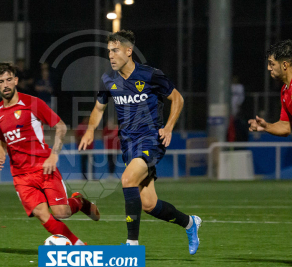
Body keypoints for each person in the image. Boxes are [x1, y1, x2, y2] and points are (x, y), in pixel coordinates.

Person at [78, 30, 201, 254]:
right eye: (108, 52)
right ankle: (190, 223)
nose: (111, 56)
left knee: (127, 179)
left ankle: (131, 245)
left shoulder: (151, 75)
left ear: (128, 51)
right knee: (149, 205)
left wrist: (169, 126)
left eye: (115, 51)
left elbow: (177, 98)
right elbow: (99, 107)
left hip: (152, 139)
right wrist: (89, 131)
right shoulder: (108, 80)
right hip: (128, 144)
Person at [0, 62, 100, 245]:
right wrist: (1, 153)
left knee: (61, 213)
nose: (6, 84)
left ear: (16, 81)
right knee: (41, 213)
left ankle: (79, 202)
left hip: (44, 167)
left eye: (9, 79)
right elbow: (1, 138)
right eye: (1, 81)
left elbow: (61, 127)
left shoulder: (32, 103)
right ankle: (78, 245)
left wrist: (54, 155)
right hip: (20, 175)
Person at [249, 40, 292, 136]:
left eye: (272, 64)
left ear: (285, 65)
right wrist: (266, 126)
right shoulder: (285, 91)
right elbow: (285, 127)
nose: (268, 68)